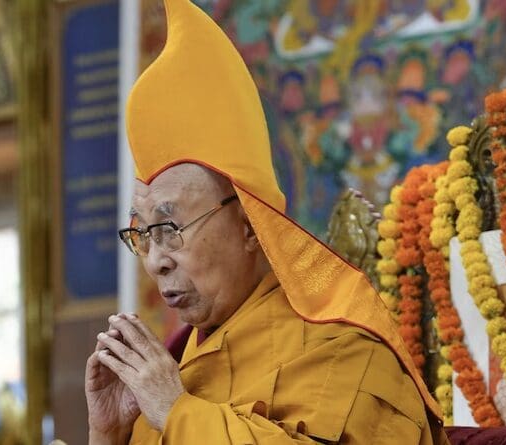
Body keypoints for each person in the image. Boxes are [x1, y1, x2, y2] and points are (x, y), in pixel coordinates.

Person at [85, 0, 448, 443]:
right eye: (142, 235)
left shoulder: (346, 351)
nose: (155, 262)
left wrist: (178, 413)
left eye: (169, 230)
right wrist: (108, 435)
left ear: (250, 224)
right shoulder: (173, 373)